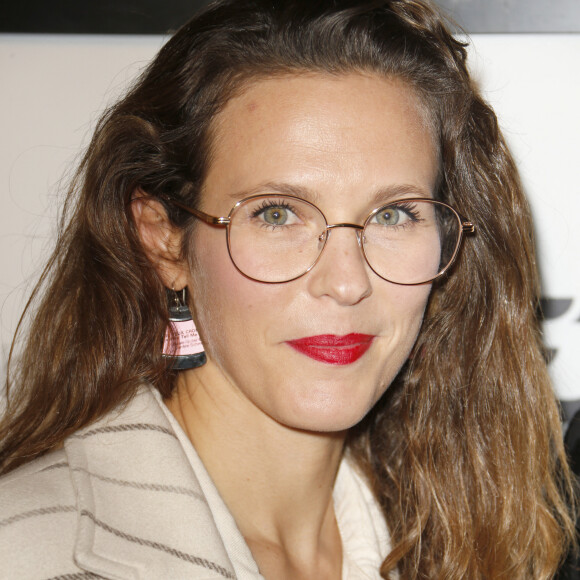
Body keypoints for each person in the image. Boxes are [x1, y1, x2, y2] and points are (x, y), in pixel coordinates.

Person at [0, 0, 575, 578]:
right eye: (277, 215)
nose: (347, 283)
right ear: (163, 239)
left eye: (395, 215)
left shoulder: (463, 540)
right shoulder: (28, 553)